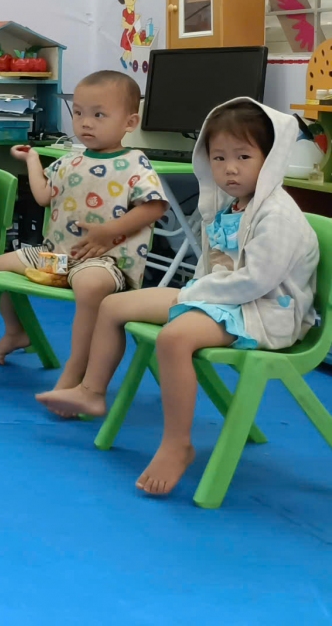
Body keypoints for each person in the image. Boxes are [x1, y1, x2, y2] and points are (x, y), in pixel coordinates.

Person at [37, 99, 318, 496]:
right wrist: (195, 290)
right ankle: (92, 391)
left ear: (270, 158)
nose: (230, 168)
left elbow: (256, 281)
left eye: (243, 156)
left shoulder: (278, 216)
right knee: (113, 306)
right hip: (220, 298)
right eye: (218, 157)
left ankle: (177, 444)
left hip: (264, 311)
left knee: (174, 338)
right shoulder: (230, 205)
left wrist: (192, 293)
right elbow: (212, 263)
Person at [0, 70, 168, 392]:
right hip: (56, 258)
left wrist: (109, 231)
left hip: (105, 262)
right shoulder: (70, 160)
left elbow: (154, 207)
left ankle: (77, 367)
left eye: (99, 115)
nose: (85, 123)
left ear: (130, 122)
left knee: (90, 286)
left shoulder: (135, 162)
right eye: (79, 113)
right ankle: (16, 331)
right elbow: (44, 196)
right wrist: (32, 160)